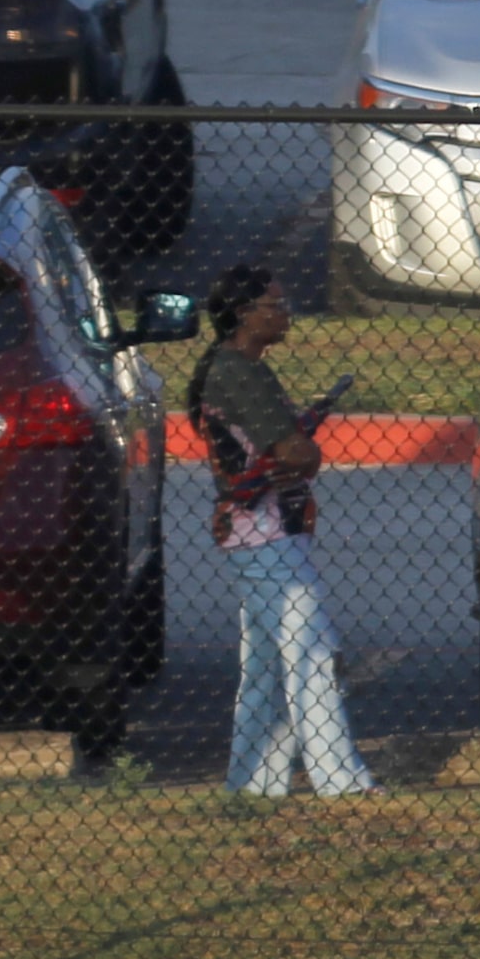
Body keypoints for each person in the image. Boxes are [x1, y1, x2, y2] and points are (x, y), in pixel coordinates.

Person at [189, 265, 373, 798]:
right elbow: (296, 452)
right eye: (275, 304)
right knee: (313, 653)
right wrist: (301, 452)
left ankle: (253, 782)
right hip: (264, 534)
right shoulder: (240, 374)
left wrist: (295, 454)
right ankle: (342, 781)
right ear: (245, 316)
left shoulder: (238, 368)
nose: (285, 311)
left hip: (263, 531)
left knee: (267, 669)